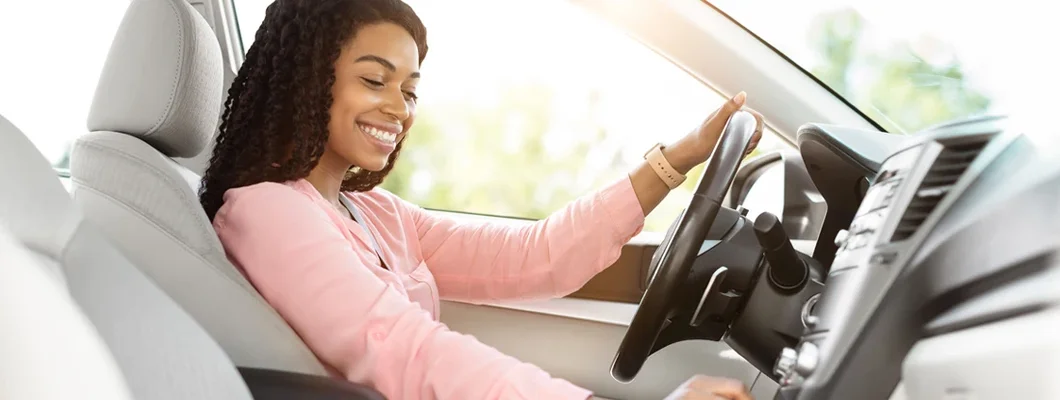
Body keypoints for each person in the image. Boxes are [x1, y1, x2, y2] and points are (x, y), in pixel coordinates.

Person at [199, 0, 763, 399]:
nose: (399, 108)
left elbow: (537, 254)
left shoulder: (375, 213)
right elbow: (406, 351)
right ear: (306, 81)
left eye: (410, 89)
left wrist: (678, 158)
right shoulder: (265, 210)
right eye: (375, 81)